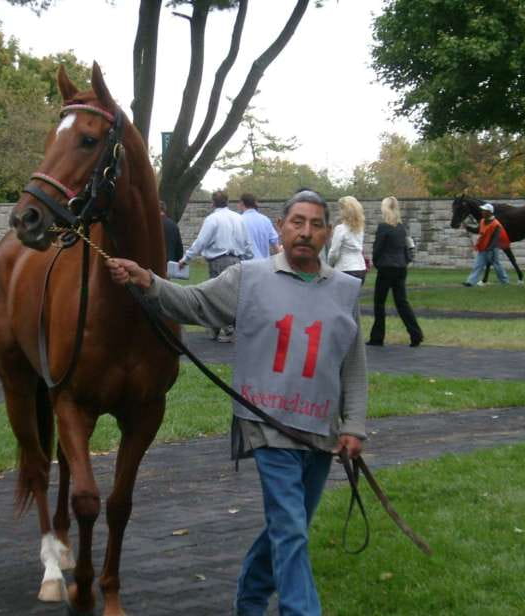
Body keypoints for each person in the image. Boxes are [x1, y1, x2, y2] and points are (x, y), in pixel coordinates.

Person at [106, 189, 367, 616]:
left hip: (321, 431)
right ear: (280, 228)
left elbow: (352, 362)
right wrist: (148, 280)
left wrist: (353, 424)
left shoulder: (345, 290)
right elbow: (195, 303)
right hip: (267, 424)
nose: (305, 232)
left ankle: (249, 599)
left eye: (316, 224)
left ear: (327, 233)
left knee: (289, 526)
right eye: (297, 222)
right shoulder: (249, 278)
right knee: (291, 529)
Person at [180, 190, 253, 342]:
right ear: (227, 202)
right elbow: (247, 243)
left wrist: (186, 259)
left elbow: (201, 242)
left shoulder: (212, 219)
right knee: (232, 294)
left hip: (219, 260)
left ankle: (228, 330)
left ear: (212, 203)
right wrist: (248, 258)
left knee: (218, 295)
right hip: (237, 259)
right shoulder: (239, 218)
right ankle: (216, 329)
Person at [368, 196, 424, 347]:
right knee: (402, 302)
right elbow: (406, 247)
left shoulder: (383, 227)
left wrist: (377, 263)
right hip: (400, 267)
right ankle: (416, 334)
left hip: (386, 268)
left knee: (379, 303)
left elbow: (377, 249)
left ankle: (377, 337)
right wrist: (405, 261)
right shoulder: (401, 228)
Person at [462, 203, 511, 287]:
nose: (482, 212)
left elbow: (496, 238)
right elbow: (478, 230)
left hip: (492, 248)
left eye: (484, 210)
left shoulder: (496, 224)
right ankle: (470, 282)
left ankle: (505, 281)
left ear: (490, 212)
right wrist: (468, 227)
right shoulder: (482, 221)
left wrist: (490, 248)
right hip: (483, 247)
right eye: (482, 210)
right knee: (478, 265)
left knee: (496, 265)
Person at [327, 196, 366, 280]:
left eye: (341, 209)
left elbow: (334, 252)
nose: (339, 211)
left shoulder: (340, 229)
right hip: (361, 268)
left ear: (345, 211)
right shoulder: (360, 229)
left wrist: (329, 265)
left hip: (345, 268)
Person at [238, 192, 281, 259]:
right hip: (264, 263)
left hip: (246, 263)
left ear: (242, 203)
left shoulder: (239, 221)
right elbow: (275, 244)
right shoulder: (266, 220)